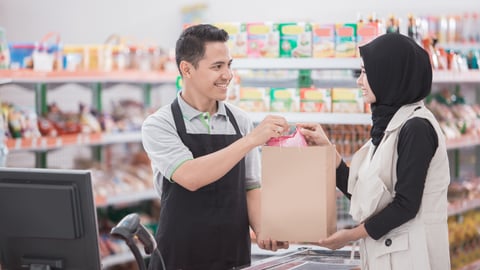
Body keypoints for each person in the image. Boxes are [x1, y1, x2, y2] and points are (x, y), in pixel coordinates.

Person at [141, 24, 289, 270]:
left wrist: (264, 229)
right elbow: (190, 176)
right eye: (217, 67)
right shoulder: (160, 124)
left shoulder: (239, 120)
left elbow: (250, 186)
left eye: (229, 65)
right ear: (186, 69)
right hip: (179, 257)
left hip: (232, 256)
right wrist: (250, 140)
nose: (228, 75)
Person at [299, 33, 451, 270]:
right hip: (390, 256)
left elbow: (406, 205)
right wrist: (327, 150)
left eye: (365, 72)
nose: (359, 81)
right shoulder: (389, 124)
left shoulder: (416, 128)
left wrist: (349, 236)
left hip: (413, 258)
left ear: (389, 74)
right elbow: (367, 197)